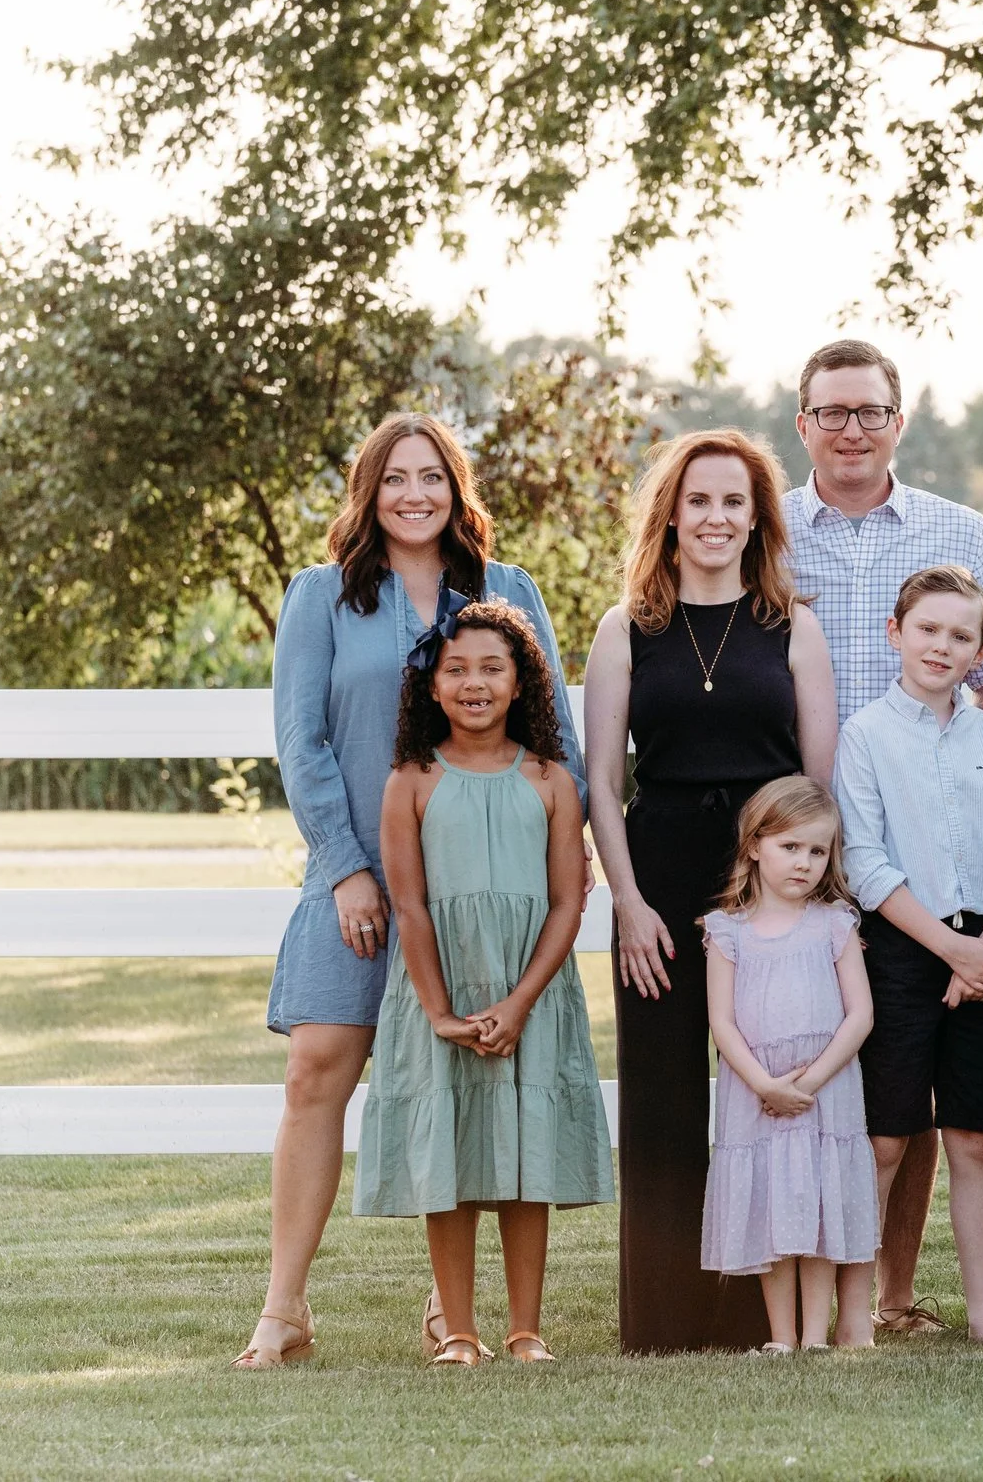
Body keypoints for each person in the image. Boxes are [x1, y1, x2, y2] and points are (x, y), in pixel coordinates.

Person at [239, 412, 583, 1371]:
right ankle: (284, 1307)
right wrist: (345, 865)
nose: (414, 494)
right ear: (369, 491)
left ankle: (452, 1309)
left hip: (487, 889)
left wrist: (568, 842)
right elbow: (301, 740)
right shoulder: (321, 596)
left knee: (476, 1078)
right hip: (357, 879)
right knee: (316, 1069)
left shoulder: (508, 589)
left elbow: (555, 731)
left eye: (432, 475)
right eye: (395, 477)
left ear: (456, 488)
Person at [782, 337, 983, 1338]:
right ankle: (820, 1298)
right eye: (833, 412)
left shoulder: (957, 530)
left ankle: (901, 1298)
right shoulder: (767, 530)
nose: (852, 429)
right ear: (804, 422)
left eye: (870, 411)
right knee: (869, 1103)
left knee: (954, 1122)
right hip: (810, 848)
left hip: (955, 889)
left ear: (898, 420)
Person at [581, 429, 839, 1354]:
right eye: (698, 500)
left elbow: (818, 786)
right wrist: (628, 900)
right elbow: (601, 780)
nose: (716, 518)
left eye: (734, 502)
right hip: (657, 882)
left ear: (757, 519)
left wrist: (801, 904)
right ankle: (663, 1315)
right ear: (671, 515)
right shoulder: (625, 629)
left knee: (759, 1088)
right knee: (661, 1096)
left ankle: (753, 1314)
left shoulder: (793, 627)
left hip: (767, 889)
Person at [352, 597, 612, 1367]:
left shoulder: (551, 780)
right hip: (446, 988)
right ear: (431, 685)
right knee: (454, 1155)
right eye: (456, 668)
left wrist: (520, 1001)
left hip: (532, 989)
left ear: (521, 681)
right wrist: (440, 1011)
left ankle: (526, 1329)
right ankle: (459, 1330)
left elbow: (566, 903)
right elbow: (409, 904)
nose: (474, 683)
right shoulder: (411, 780)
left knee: (527, 1158)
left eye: (492, 668)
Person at [834, 565, 983, 1347]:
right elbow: (865, 862)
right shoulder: (865, 735)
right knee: (886, 1137)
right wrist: (952, 948)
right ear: (895, 633)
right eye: (927, 629)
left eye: (960, 636)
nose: (941, 645)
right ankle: (855, 1314)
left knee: (972, 1138)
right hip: (901, 947)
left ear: (981, 652)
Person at [700, 776, 881, 1355]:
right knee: (773, 1206)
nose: (804, 862)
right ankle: (781, 1337)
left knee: (819, 1203)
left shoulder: (834, 923)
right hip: (756, 1092)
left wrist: (810, 1081)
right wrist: (765, 1085)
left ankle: (815, 1336)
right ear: (755, 845)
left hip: (825, 1089)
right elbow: (722, 1023)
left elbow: (860, 1015)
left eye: (817, 850)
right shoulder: (727, 931)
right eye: (790, 846)